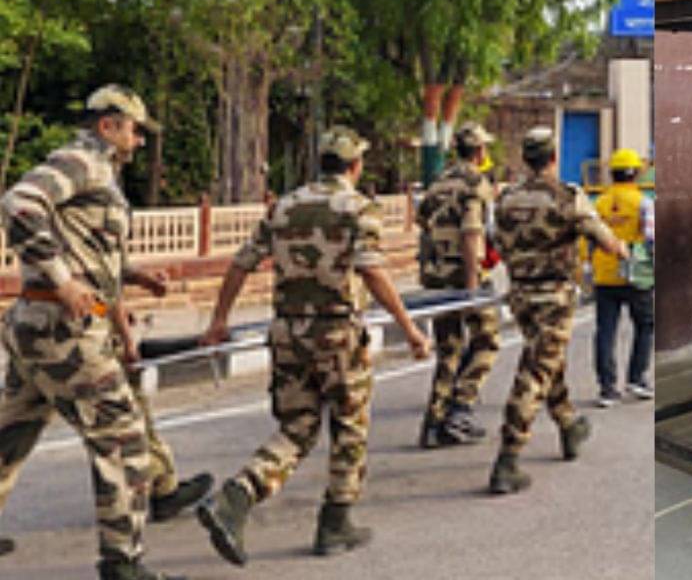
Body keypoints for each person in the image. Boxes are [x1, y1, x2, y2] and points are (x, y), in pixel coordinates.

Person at [196, 126, 431, 565]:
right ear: (355, 166)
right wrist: (410, 328)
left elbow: (240, 264)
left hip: (288, 334)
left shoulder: (284, 206)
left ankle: (239, 494)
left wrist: (218, 322)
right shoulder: (359, 208)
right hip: (338, 334)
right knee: (350, 426)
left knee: (298, 427)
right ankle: (335, 521)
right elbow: (373, 271)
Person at [0, 84, 184, 580]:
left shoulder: (100, 172)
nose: (140, 142)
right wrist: (61, 280)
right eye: (135, 131)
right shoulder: (82, 160)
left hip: (36, 328)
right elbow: (18, 202)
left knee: (10, 433)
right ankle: (122, 564)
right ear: (108, 125)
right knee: (123, 439)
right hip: (63, 329)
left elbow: (86, 248)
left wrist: (135, 273)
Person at [488, 127, 628, 494]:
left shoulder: (506, 199)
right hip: (554, 296)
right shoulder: (567, 196)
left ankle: (568, 425)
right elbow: (605, 240)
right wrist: (619, 248)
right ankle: (507, 458)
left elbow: (496, 241)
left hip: (520, 296)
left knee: (547, 361)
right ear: (553, 157)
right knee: (535, 372)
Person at [415, 121, 502, 447]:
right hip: (463, 273)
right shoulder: (475, 183)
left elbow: (423, 221)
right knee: (487, 341)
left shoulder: (438, 183)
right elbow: (471, 234)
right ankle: (459, 409)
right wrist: (471, 285)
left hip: (435, 274)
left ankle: (434, 424)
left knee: (449, 348)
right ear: (479, 152)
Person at [109, 279, 214, 523]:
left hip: (46, 341)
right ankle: (162, 490)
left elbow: (93, 303)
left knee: (19, 426)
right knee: (132, 421)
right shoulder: (85, 246)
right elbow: (99, 292)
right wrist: (126, 340)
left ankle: (160, 487)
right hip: (89, 349)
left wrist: (117, 313)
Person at [592, 147, 656, 407]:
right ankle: (636, 378)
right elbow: (652, 239)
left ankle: (607, 388)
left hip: (605, 274)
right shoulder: (643, 202)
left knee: (606, 331)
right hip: (636, 274)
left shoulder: (600, 202)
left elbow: (590, 239)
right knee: (645, 325)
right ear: (637, 173)